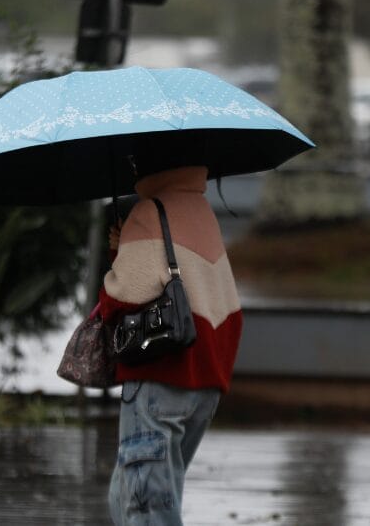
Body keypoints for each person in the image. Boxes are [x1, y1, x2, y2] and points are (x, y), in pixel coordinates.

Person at [96, 161, 242, 525]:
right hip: (203, 383)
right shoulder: (201, 209)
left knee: (145, 505)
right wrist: (124, 249)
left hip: (161, 376)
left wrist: (119, 256)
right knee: (135, 492)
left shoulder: (149, 211)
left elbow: (123, 296)